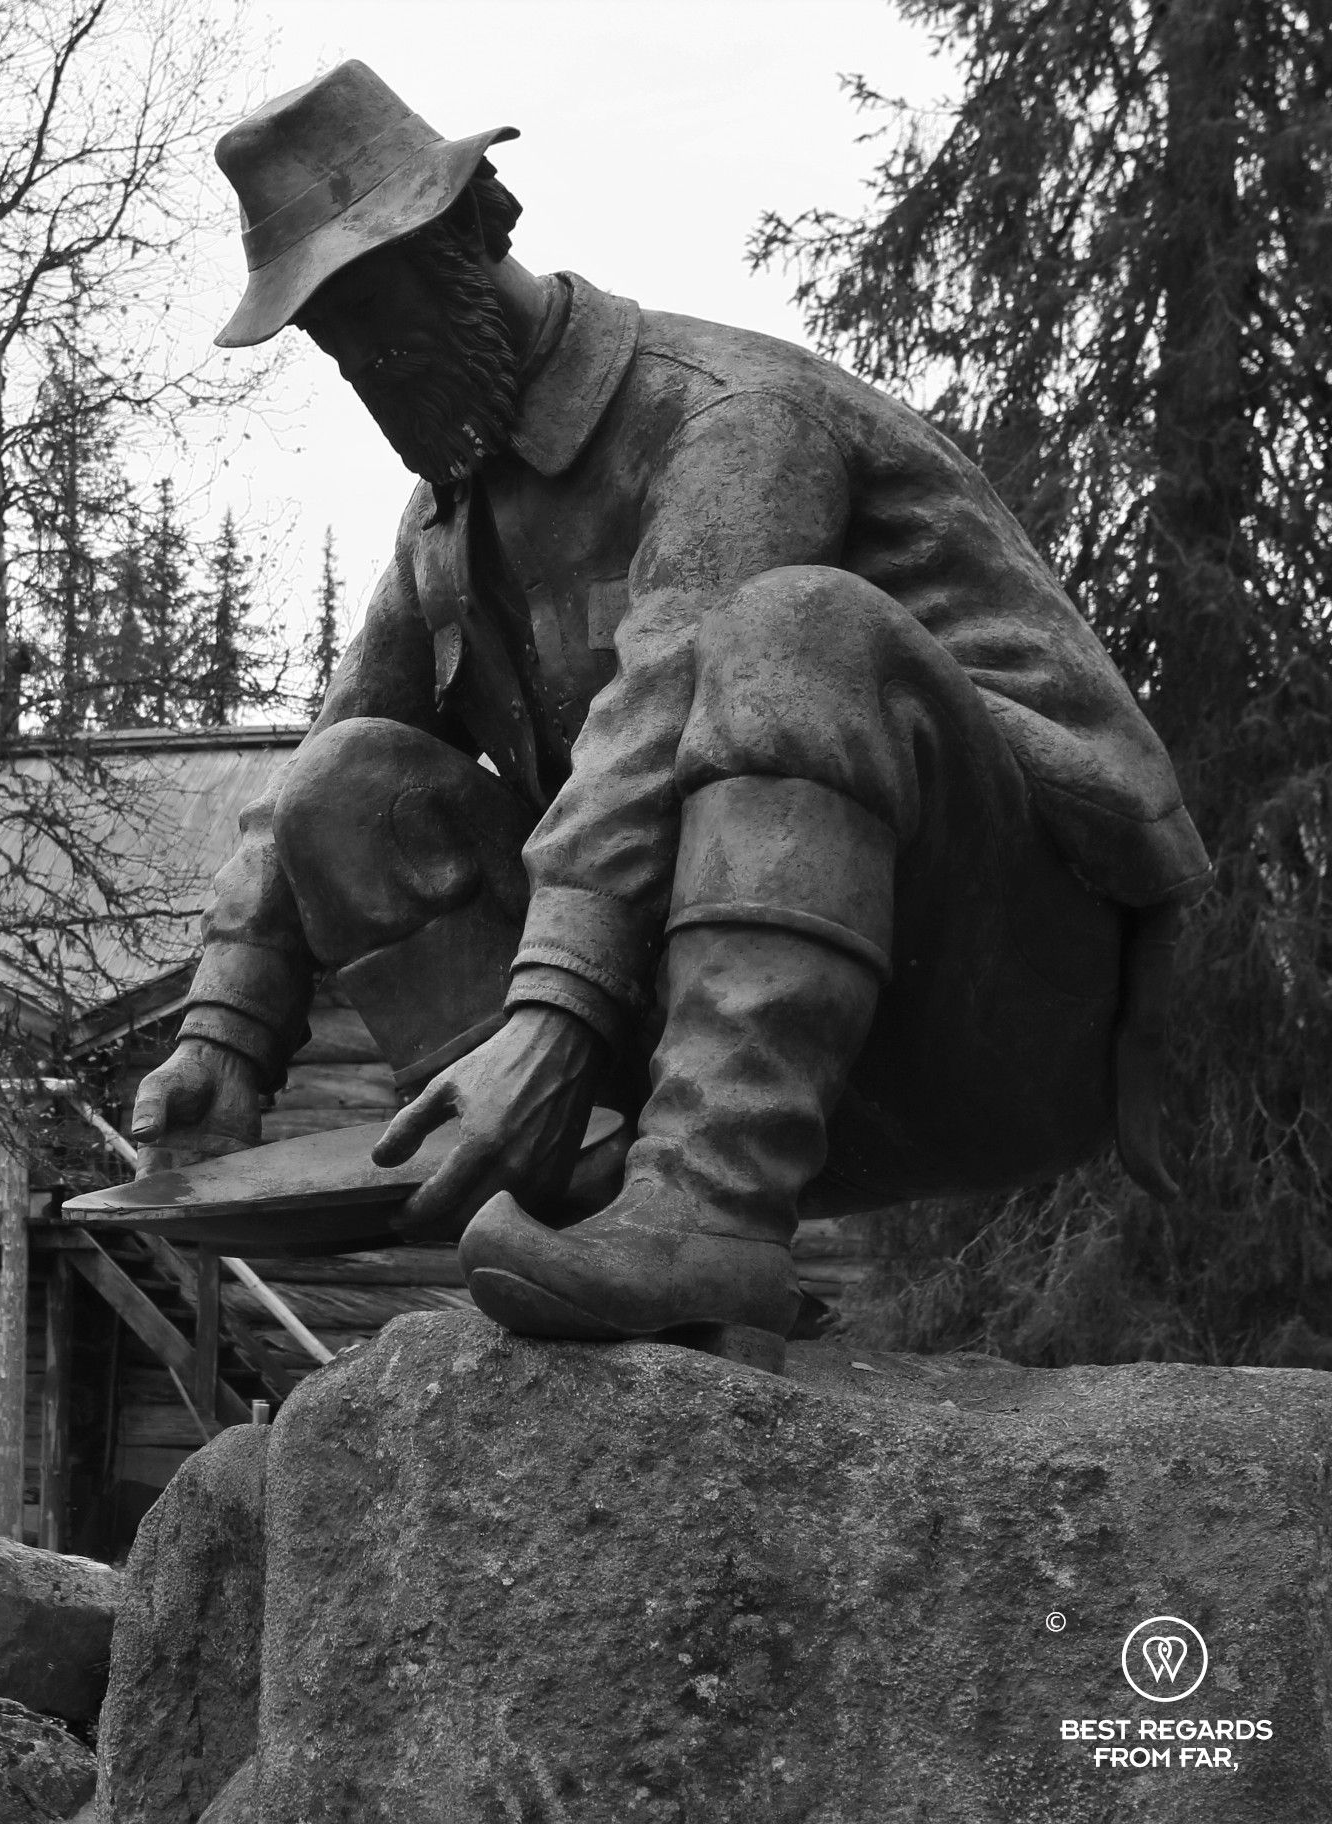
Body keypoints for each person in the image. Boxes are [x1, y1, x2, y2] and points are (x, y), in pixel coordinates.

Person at [128, 61, 1208, 1349]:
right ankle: (579, 1184)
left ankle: (704, 1205)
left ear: (481, 227)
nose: (364, 361)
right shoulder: (451, 516)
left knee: (791, 627)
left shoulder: (731, 419)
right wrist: (226, 1035)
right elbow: (316, 772)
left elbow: (667, 691)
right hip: (754, 994)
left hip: (1010, 983)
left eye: (376, 307)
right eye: (330, 334)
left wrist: (553, 1012)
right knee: (357, 778)